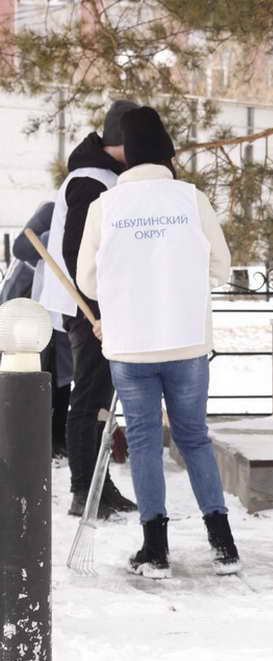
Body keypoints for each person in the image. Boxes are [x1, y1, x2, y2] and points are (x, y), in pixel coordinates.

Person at [77, 106, 238, 579]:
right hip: (185, 340)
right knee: (194, 438)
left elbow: (87, 278)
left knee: (145, 441)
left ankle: (156, 548)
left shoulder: (105, 206)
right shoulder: (192, 199)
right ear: (167, 154)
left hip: (130, 344)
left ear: (127, 156)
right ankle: (223, 542)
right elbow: (222, 267)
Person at [40, 99, 139, 518]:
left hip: (99, 305)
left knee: (99, 398)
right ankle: (85, 490)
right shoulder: (91, 180)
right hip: (89, 308)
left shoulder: (103, 177)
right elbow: (81, 251)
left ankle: (99, 484)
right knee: (89, 397)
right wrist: (99, 309)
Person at [7, 203, 74, 458]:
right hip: (27, 304)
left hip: (61, 304)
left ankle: (56, 437)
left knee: (61, 374)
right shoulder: (51, 211)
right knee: (33, 370)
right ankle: (29, 437)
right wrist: (54, 239)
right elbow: (21, 247)